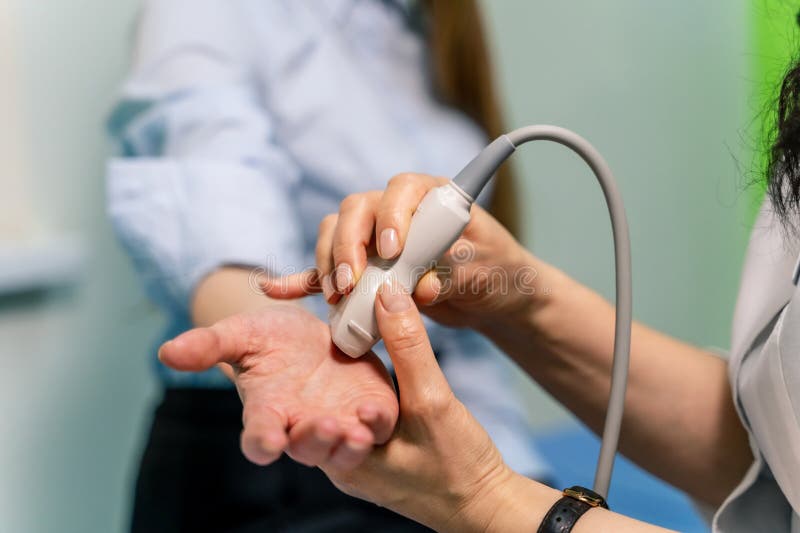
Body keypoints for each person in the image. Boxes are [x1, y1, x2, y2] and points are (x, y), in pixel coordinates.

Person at [159, 33, 800, 533]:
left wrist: (491, 500)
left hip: (463, 467)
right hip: (315, 459)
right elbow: (777, 448)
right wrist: (522, 304)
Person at [107, 0, 548, 531]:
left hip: (442, 443)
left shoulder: (426, 23)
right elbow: (213, 184)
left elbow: (461, 329)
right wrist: (270, 329)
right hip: (273, 449)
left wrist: (515, 480)